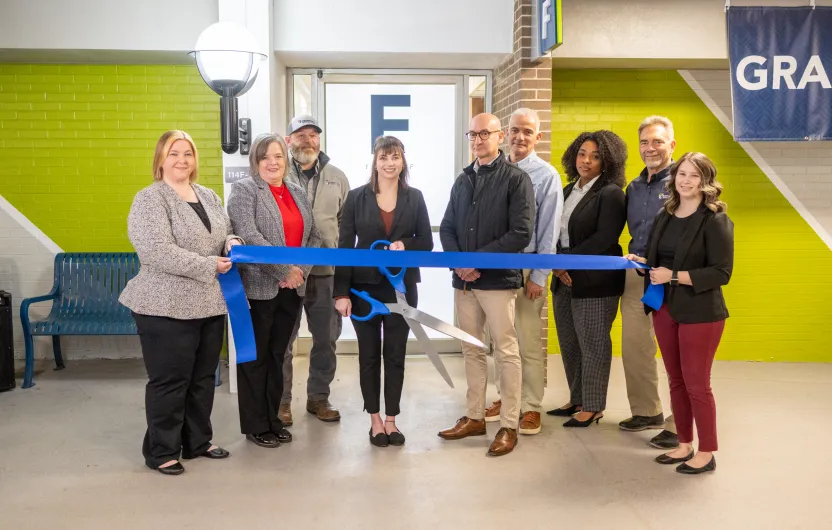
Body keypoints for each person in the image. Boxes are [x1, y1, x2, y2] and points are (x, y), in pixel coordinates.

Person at [120, 130, 241, 475]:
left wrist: (233, 242)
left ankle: (198, 441)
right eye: (174, 153)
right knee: (170, 381)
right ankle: (162, 451)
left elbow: (225, 231)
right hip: (163, 305)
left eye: (188, 153)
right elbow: (156, 251)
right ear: (160, 159)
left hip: (208, 303)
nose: (182, 160)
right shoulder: (149, 199)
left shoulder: (208, 195)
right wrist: (208, 265)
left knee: (203, 378)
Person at [626, 152, 733, 475]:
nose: (685, 181)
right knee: (676, 381)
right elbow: (659, 259)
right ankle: (684, 443)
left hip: (701, 312)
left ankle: (707, 451)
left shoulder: (715, 219)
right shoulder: (667, 215)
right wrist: (643, 262)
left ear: (706, 182)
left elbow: (721, 272)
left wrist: (673, 276)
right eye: (682, 174)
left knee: (697, 384)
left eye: (694, 176)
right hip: (665, 307)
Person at [437, 113, 535, 457]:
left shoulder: (516, 180)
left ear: (500, 137)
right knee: (471, 349)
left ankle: (509, 424)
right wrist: (459, 264)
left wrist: (475, 262)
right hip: (463, 284)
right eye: (473, 134)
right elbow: (447, 226)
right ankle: (475, 417)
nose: (478, 140)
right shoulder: (463, 180)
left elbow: (521, 232)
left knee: (506, 351)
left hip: (497, 283)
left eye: (485, 134)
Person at [334, 136, 434, 447]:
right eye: (383, 157)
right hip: (363, 290)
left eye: (395, 157)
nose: (389, 163)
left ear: (403, 162)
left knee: (395, 355)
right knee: (368, 356)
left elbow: (427, 243)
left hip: (401, 289)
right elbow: (345, 248)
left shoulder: (414, 198)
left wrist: (406, 244)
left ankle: (392, 420)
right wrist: (341, 292)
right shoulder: (355, 198)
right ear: (374, 161)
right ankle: (374, 419)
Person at [227, 133, 321, 449]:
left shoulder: (296, 191)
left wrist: (300, 273)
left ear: (286, 159)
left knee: (277, 356)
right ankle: (256, 425)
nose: (272, 162)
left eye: (278, 156)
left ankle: (273, 419)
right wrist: (284, 271)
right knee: (255, 358)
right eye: (265, 156)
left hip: (291, 290)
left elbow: (315, 238)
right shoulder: (244, 190)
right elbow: (249, 235)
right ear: (256, 160)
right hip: (258, 288)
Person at [485, 108, 563, 436]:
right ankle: (508, 398)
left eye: (527, 132)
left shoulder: (547, 176)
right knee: (501, 340)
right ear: (505, 134)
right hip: (497, 267)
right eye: (515, 130)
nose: (519, 137)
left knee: (528, 341)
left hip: (528, 265)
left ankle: (530, 406)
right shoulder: (494, 171)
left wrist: (539, 275)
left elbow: (549, 230)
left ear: (537, 138)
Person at [548, 130, 627, 428]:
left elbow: (605, 238)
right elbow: (553, 232)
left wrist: (568, 262)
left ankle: (593, 406)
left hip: (595, 280)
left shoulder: (611, 193)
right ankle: (577, 398)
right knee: (570, 342)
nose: (587, 161)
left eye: (595, 156)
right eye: (582, 154)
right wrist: (556, 263)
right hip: (563, 276)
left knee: (593, 342)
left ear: (607, 161)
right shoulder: (568, 191)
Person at [281, 115, 349, 425]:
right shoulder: (277, 172)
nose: (307, 140)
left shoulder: (337, 176)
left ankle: (318, 398)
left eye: (313, 135)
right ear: (288, 139)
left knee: (326, 338)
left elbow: (347, 225)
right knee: (283, 340)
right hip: (287, 273)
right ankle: (281, 402)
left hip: (325, 272)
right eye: (300, 134)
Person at [618, 115, 679, 450]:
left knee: (673, 353)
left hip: (670, 279)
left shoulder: (682, 182)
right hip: (636, 276)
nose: (650, 148)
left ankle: (677, 423)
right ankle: (647, 412)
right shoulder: (635, 187)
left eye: (658, 141)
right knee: (635, 348)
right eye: (645, 142)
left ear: (672, 144)